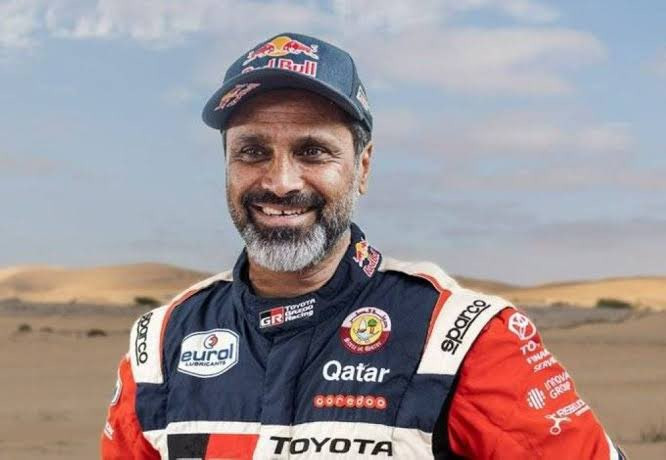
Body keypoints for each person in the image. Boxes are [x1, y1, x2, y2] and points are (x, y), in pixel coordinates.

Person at [101, 32, 626, 459]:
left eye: (313, 151)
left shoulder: (462, 337)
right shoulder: (161, 342)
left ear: (363, 168)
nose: (280, 182)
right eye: (252, 151)